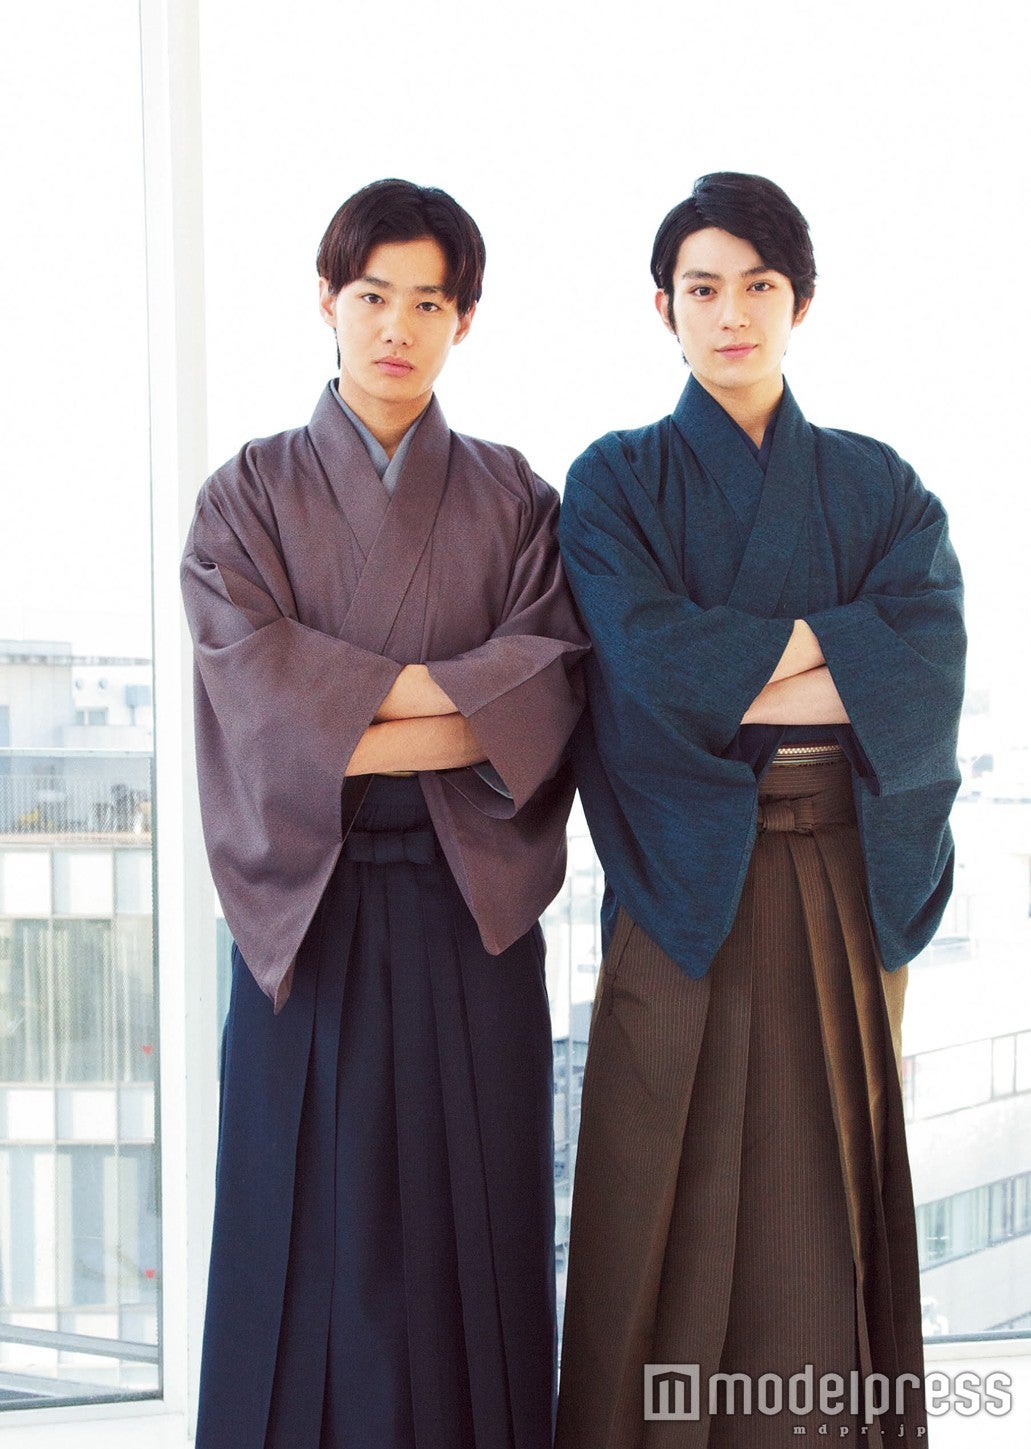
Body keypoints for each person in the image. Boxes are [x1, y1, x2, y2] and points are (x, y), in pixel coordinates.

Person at [555, 173, 964, 1447]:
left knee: (821, 1196)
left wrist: (733, 666)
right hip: (683, 877)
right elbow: (640, 667)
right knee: (654, 1177)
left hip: (840, 869)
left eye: (758, 285)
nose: (730, 313)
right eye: (701, 288)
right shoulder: (613, 481)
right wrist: (835, 648)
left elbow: (924, 669)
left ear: (801, 302)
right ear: (662, 308)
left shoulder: (878, 485)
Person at [181, 178, 587, 1449]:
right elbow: (255, 702)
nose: (396, 328)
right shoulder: (247, 494)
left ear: (464, 319)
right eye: (372, 296)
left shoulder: (514, 498)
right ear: (325, 299)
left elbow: (542, 695)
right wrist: (449, 698)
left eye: (427, 302)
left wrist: (344, 709)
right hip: (307, 907)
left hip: (469, 906)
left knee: (476, 1224)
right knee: (303, 1229)